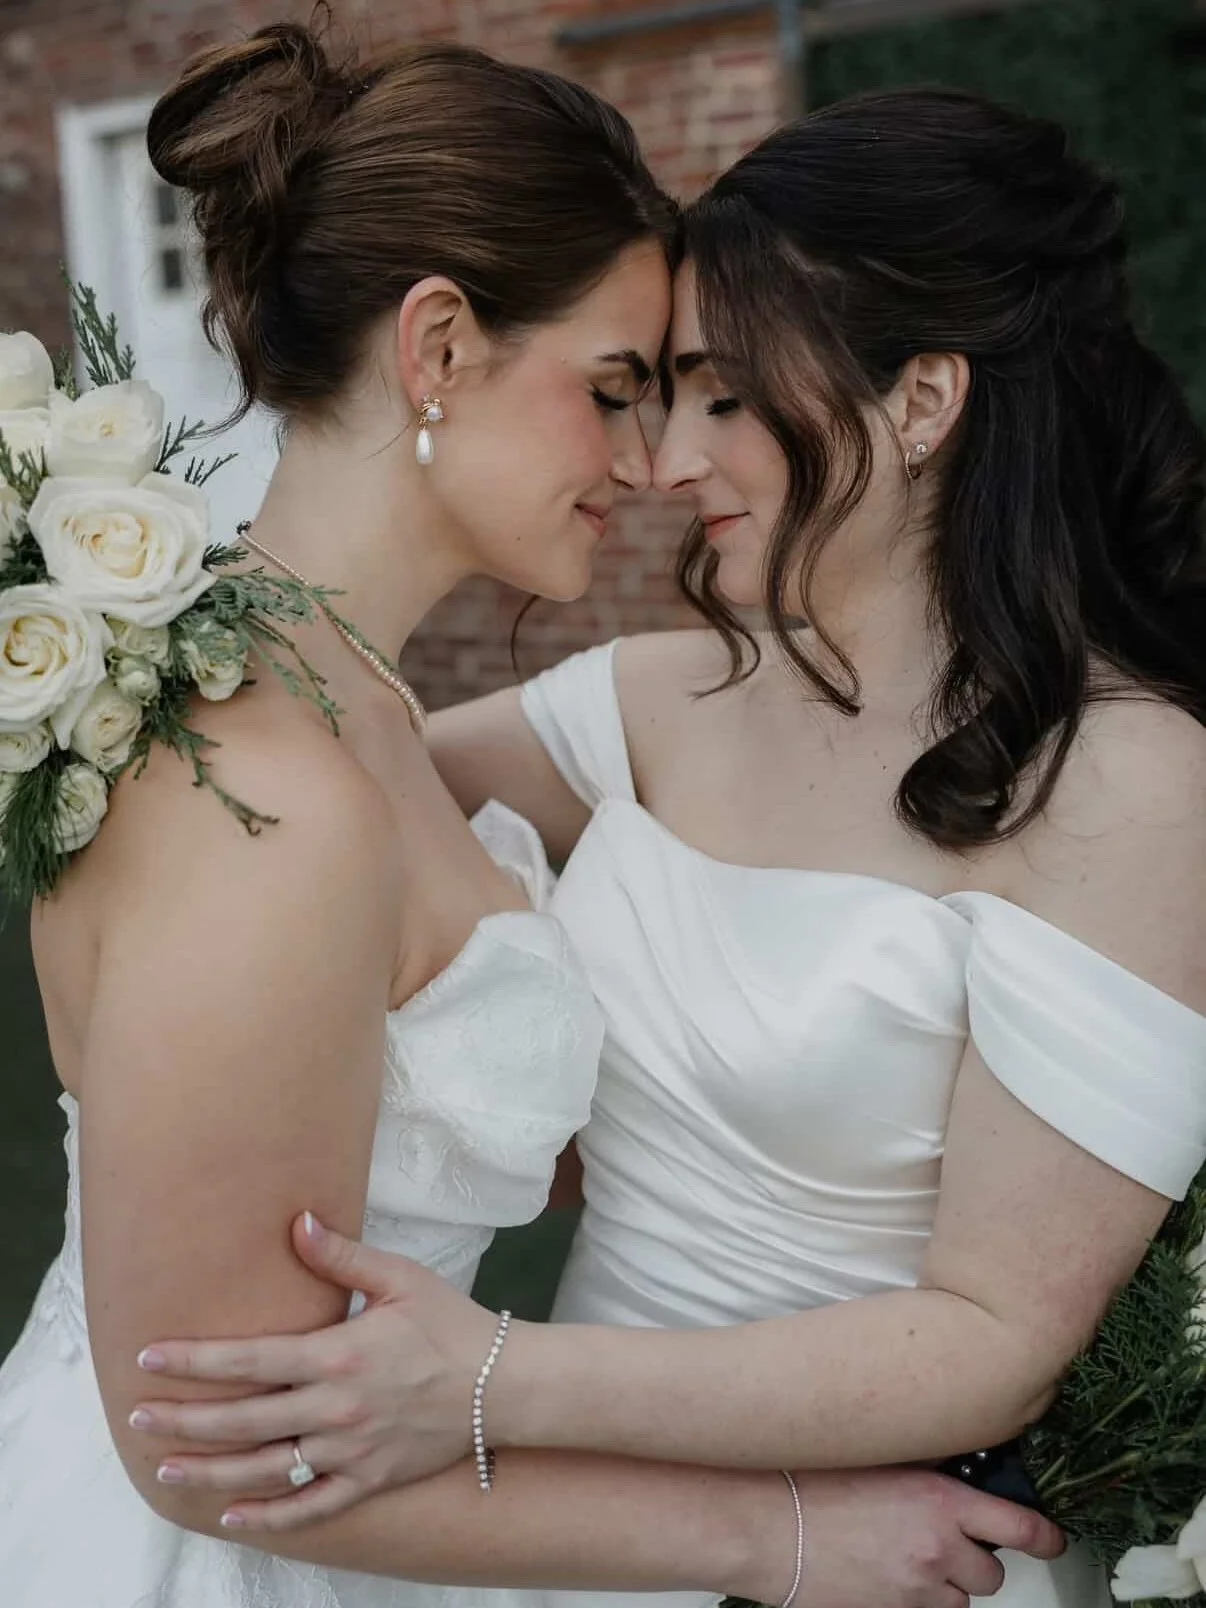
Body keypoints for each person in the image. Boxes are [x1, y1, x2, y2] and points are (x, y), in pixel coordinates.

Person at [0, 26, 1061, 1608]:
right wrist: (782, 1539)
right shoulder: (264, 800)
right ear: (436, 348)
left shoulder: (344, 703)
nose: (649, 463)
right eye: (615, 389)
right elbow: (212, 1449)